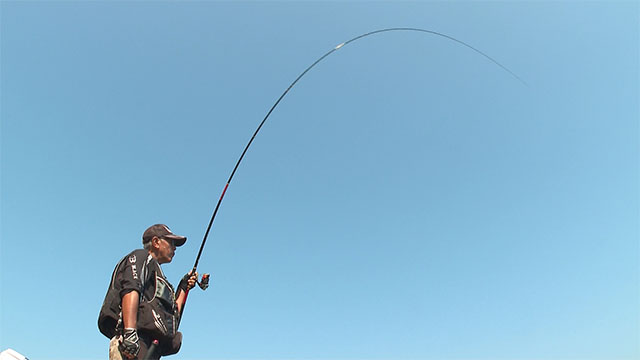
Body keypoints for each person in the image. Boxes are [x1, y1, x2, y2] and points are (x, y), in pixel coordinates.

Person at [99, 224, 198, 360]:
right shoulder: (141, 257)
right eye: (171, 242)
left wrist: (184, 286)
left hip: (152, 349)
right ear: (156, 242)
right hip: (135, 345)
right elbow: (131, 289)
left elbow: (172, 318)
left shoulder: (160, 278)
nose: (174, 248)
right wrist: (130, 334)